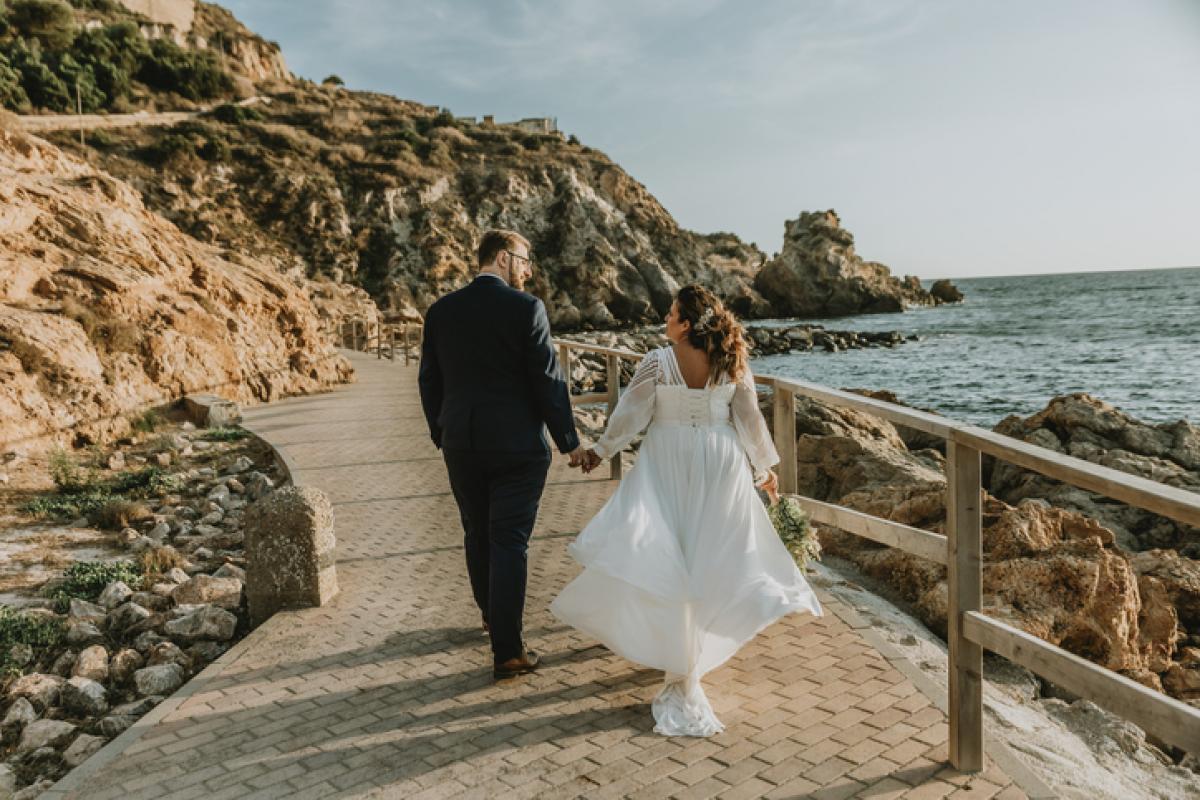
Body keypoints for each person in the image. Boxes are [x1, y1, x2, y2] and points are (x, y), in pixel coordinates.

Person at [551, 284, 823, 736]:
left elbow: (630, 414)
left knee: (668, 552)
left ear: (685, 323)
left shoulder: (657, 362)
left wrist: (600, 450)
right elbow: (750, 420)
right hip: (720, 462)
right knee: (709, 556)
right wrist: (764, 469)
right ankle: (689, 656)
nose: (665, 318)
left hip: (669, 460)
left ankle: (678, 656)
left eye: (671, 312)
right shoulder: (731, 360)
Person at [418, 229, 589, 680]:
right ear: (501, 258)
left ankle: (493, 618)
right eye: (524, 260)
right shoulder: (526, 308)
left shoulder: (441, 311)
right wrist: (569, 442)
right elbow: (547, 380)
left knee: (477, 533)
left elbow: (429, 381)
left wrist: (443, 432)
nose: (528, 270)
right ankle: (508, 650)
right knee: (509, 541)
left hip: (462, 443)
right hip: (517, 447)